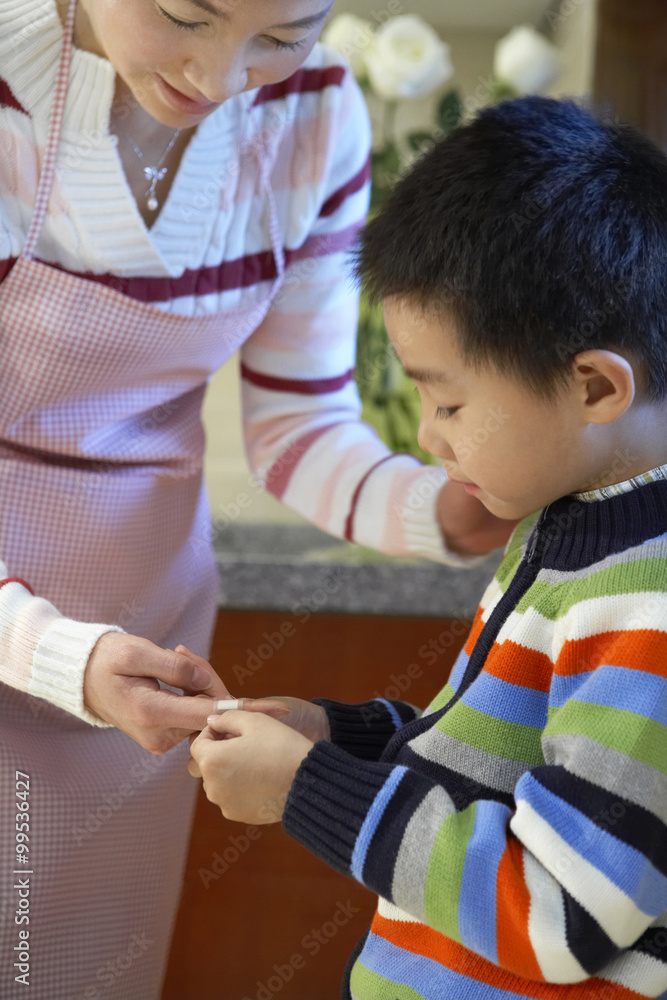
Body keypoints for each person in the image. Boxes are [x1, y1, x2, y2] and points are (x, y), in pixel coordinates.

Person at [0, 1, 512, 997]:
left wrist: (437, 509)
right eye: (185, 14)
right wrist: (69, 657)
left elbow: (299, 428)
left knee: (69, 963)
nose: (219, 76)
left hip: (139, 637)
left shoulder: (316, 117)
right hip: (54, 633)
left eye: (283, 35)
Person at [189, 96, 667, 1000]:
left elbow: (561, 916)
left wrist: (309, 791)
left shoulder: (646, 602)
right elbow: (507, 764)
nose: (426, 437)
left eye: (447, 403)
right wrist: (341, 737)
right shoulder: (571, 527)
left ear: (594, 386)